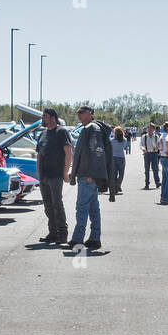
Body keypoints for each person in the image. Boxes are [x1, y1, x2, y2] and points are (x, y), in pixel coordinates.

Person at [66, 105, 112, 250]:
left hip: (88, 176)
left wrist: (91, 174)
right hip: (88, 175)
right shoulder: (91, 128)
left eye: (81, 112)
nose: (78, 115)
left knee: (82, 208)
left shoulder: (92, 128)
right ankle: (94, 239)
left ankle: (78, 240)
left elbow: (96, 152)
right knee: (93, 209)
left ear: (90, 113)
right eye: (78, 112)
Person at [35, 108, 72, 244]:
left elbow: (68, 152)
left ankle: (62, 234)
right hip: (44, 176)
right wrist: (38, 173)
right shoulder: (43, 134)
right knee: (48, 206)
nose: (42, 119)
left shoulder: (61, 132)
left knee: (57, 204)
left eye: (44, 116)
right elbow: (39, 155)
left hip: (56, 175)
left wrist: (65, 172)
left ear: (53, 118)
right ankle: (53, 233)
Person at [141, 123, 160, 189]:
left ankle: (157, 182)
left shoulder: (156, 137)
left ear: (154, 129)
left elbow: (159, 145)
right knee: (147, 169)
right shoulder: (144, 136)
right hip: (147, 153)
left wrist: (157, 148)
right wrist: (143, 148)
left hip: (154, 153)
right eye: (149, 128)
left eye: (152, 128)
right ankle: (147, 183)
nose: (150, 129)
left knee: (155, 169)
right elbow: (142, 144)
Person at [109, 126, 127, 193]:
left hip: (113, 157)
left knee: (114, 173)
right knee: (121, 173)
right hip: (121, 157)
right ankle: (118, 184)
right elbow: (124, 147)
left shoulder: (112, 140)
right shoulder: (124, 140)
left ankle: (114, 187)